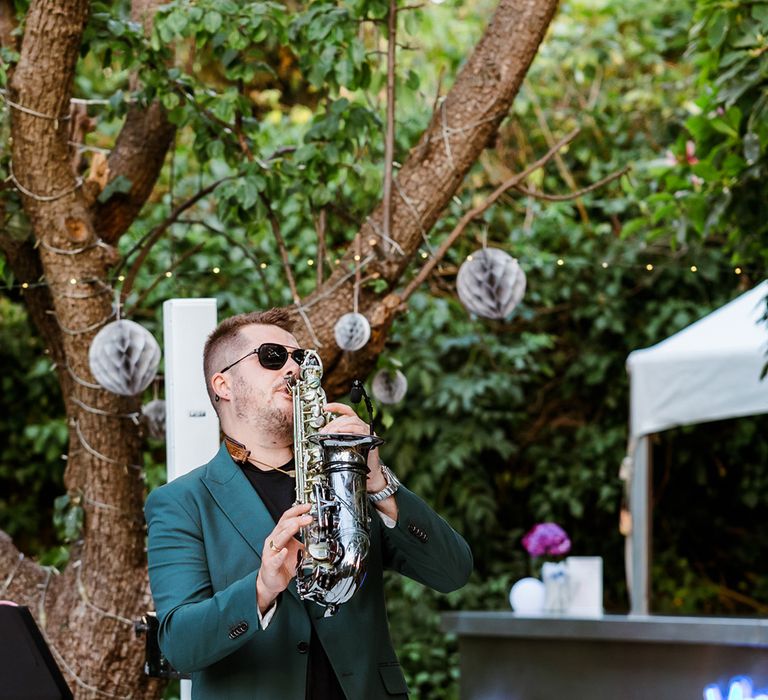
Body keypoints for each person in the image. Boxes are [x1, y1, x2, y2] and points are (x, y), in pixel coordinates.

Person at [145, 308, 473, 699]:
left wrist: (377, 481)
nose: (293, 369)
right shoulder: (180, 502)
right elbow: (180, 645)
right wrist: (261, 589)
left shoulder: (347, 477)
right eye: (272, 357)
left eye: (299, 357)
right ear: (223, 384)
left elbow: (452, 572)